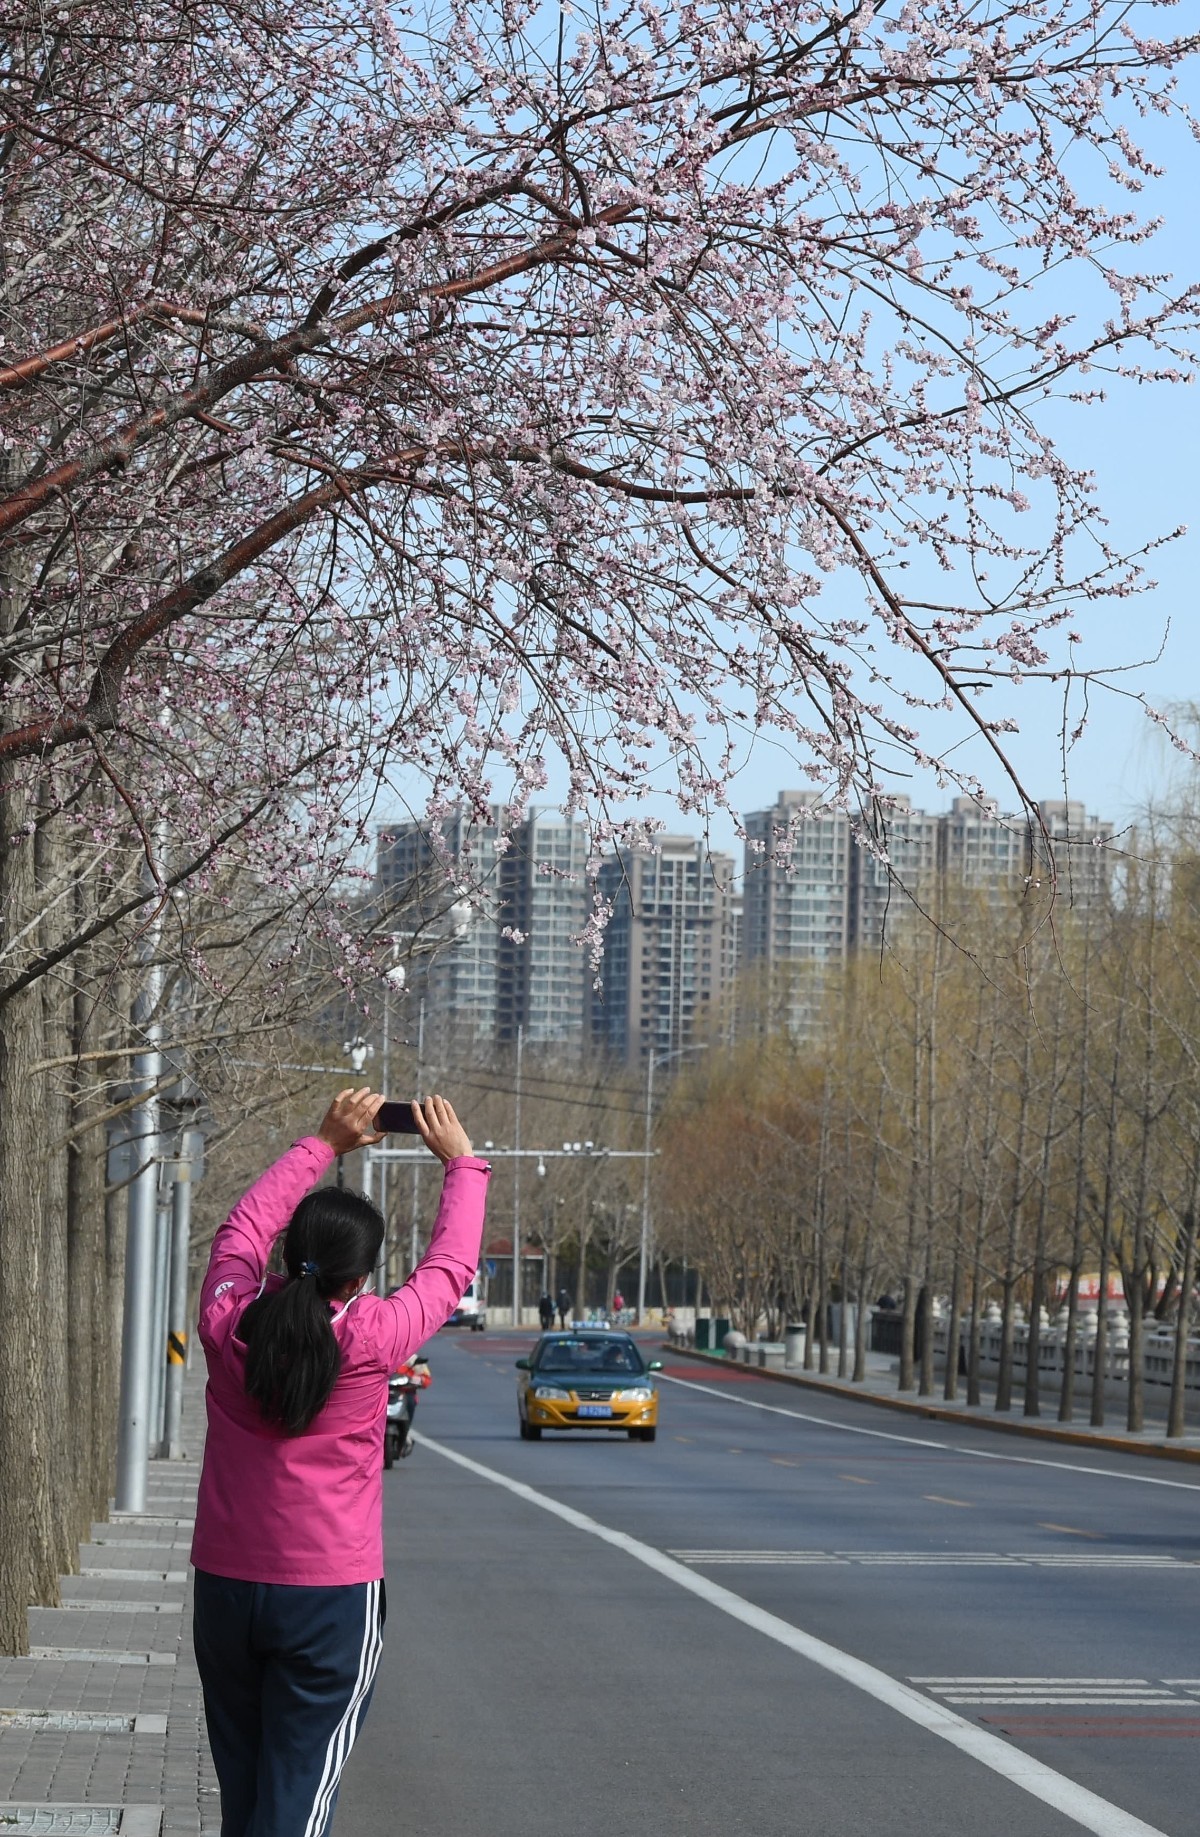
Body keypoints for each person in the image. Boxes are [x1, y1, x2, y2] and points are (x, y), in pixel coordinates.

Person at [190, 1089, 489, 1837]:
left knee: (248, 1796)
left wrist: (322, 1143)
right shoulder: (374, 1335)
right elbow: (449, 1268)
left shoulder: (228, 1321)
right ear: (358, 1278)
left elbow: (237, 1233)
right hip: (327, 1595)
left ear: (291, 1260)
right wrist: (463, 1165)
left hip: (225, 1589)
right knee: (296, 1803)